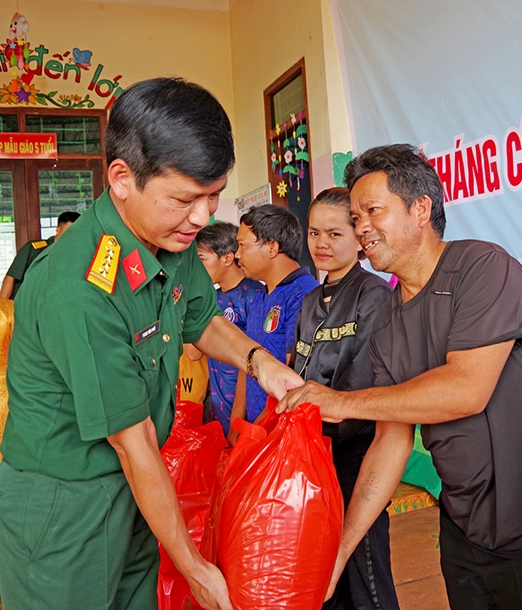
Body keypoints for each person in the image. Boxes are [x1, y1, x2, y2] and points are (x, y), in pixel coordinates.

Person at [0, 77, 303, 610]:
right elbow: (132, 440)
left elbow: (200, 320)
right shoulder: (78, 288)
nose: (203, 218)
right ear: (122, 179)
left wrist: (260, 363)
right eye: (185, 199)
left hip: (138, 487)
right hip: (64, 505)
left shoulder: (170, 236)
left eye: (213, 196)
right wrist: (196, 569)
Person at [282, 144, 522, 609]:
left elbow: (466, 389)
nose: (362, 229)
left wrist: (340, 402)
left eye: (372, 211)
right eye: (356, 218)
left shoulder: (484, 267)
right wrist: (340, 552)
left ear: (421, 208)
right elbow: (389, 442)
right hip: (462, 531)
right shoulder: (388, 324)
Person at [292, 187, 399, 610]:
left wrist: (327, 420)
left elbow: (366, 385)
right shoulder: (308, 301)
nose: (321, 243)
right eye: (315, 233)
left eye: (335, 234)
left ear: (359, 236)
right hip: (311, 456)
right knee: (322, 572)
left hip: (357, 455)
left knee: (365, 570)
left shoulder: (374, 295)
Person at [231, 204, 318, 442]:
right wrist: (236, 425)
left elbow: (294, 377)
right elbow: (247, 360)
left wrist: (256, 431)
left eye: (242, 245)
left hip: (282, 435)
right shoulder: (260, 297)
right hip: (255, 432)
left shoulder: (304, 294)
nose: (237, 255)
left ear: (271, 247)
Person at [196, 221, 263, 435]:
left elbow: (257, 360)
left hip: (247, 408)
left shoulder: (254, 296)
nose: (196, 269)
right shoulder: (211, 298)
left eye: (201, 260)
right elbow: (193, 352)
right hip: (218, 405)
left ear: (227, 258)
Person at [0, 210, 80, 299]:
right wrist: (3, 309)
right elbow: (11, 277)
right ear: (58, 229)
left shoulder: (74, 256)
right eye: (68, 232)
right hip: (21, 305)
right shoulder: (34, 249)